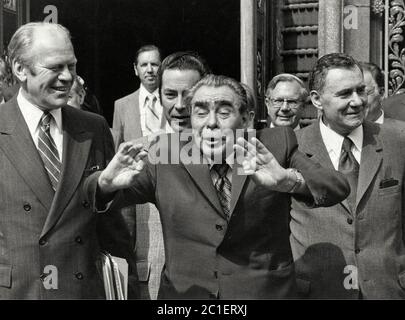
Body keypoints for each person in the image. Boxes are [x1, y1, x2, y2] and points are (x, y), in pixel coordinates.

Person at [84, 74, 349, 299]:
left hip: (263, 293)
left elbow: (336, 186)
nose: (211, 122)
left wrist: (288, 180)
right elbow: (94, 196)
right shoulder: (164, 153)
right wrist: (105, 184)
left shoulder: (274, 145)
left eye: (224, 112)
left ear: (245, 119)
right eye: (201, 112)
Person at [0, 22, 136, 299]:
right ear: (20, 69)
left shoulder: (94, 127)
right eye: (55, 67)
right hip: (19, 291)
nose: (67, 78)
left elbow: (111, 226)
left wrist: (105, 189)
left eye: (71, 66)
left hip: (82, 289)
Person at [290, 53, 405, 299]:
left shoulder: (397, 139)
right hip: (316, 292)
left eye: (360, 91)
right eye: (344, 94)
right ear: (317, 100)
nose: (357, 101)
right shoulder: (291, 148)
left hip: (387, 290)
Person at [121, 51, 211, 299]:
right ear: (159, 95)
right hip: (158, 281)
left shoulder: (232, 150)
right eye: (170, 95)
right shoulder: (142, 150)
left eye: (189, 95)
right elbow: (122, 223)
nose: (180, 106)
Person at [112, 45, 164, 147]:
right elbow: (116, 148)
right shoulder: (121, 105)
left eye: (154, 64)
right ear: (136, 69)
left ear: (162, 68)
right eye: (144, 65)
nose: (149, 70)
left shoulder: (173, 101)